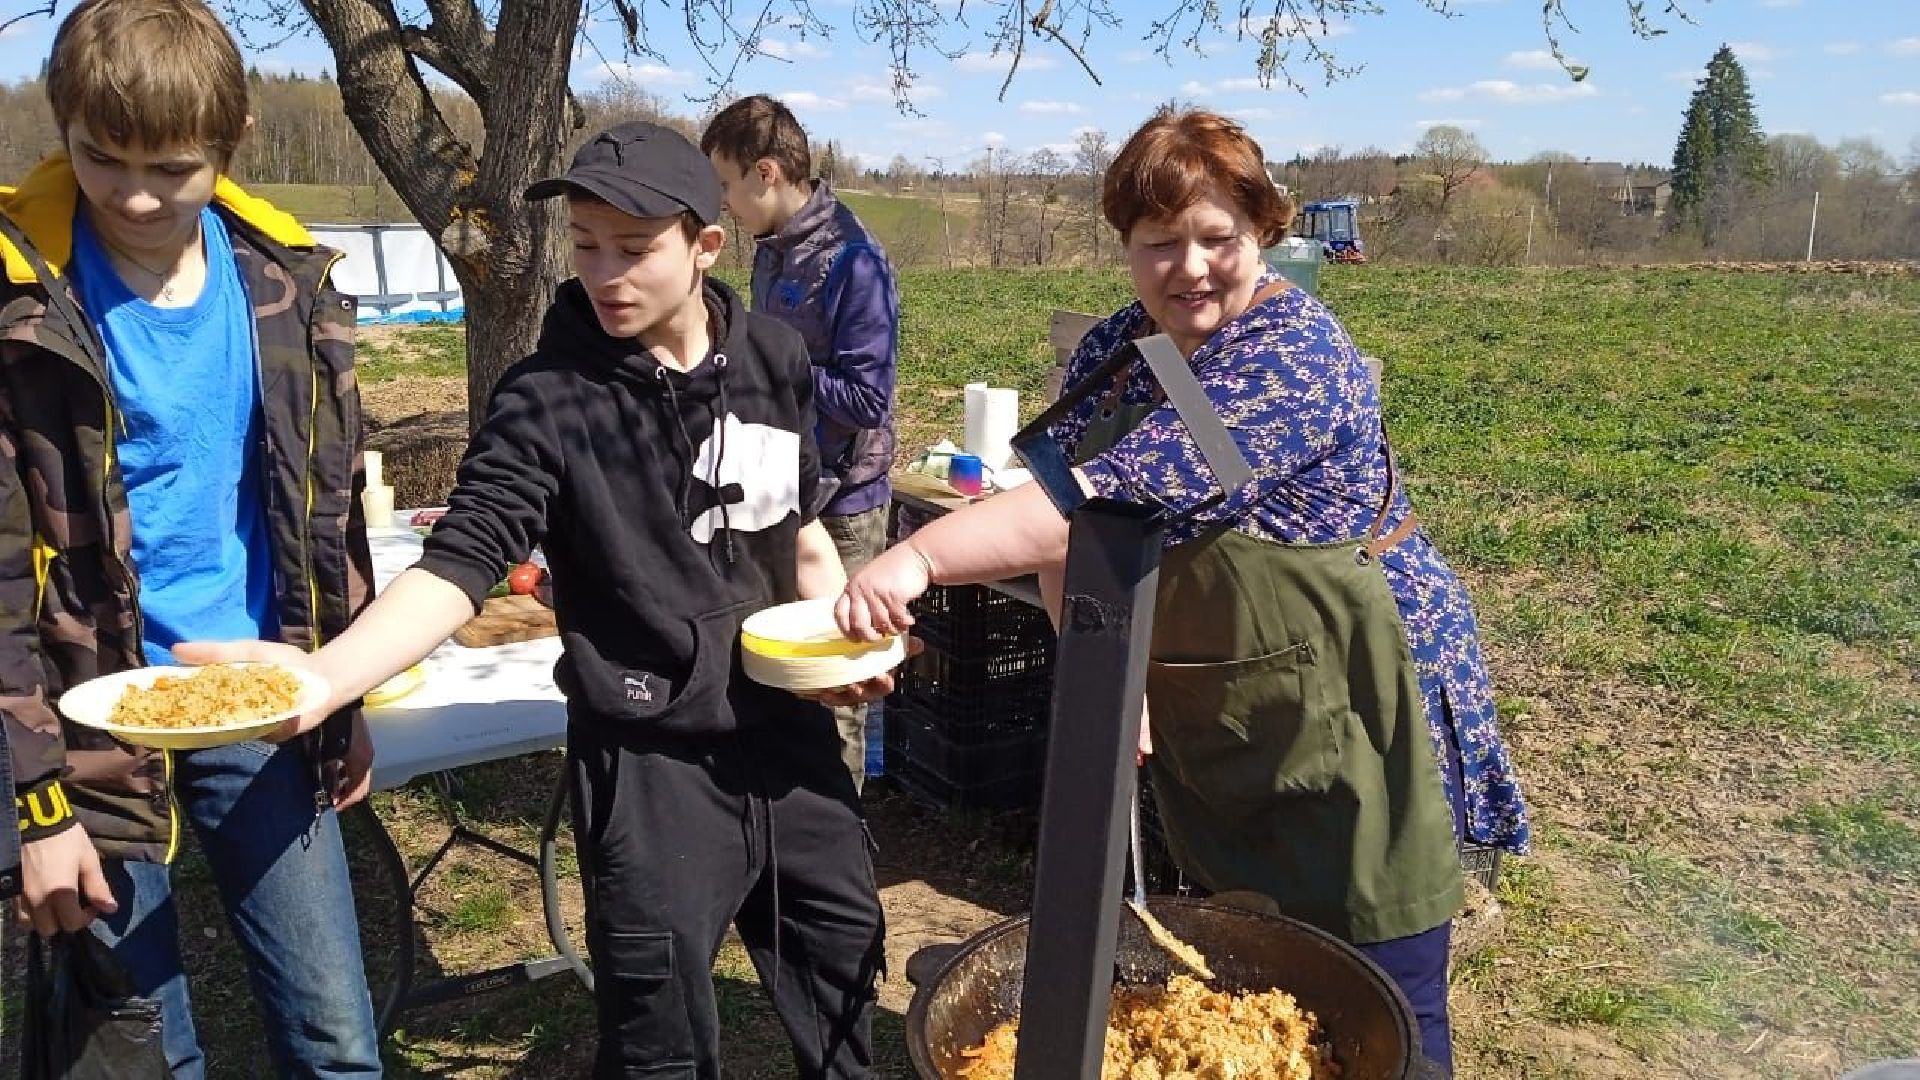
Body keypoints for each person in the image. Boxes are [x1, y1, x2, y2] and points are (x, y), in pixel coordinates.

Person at [184, 121, 891, 1079]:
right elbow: (460, 561)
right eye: (587, 245)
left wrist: (848, 646)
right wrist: (326, 676)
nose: (606, 274)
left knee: (843, 974)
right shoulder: (546, 399)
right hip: (649, 758)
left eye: (634, 248)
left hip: (788, 738)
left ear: (706, 245)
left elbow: (798, 534)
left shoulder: (774, 358)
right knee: (658, 1041)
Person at [834, 107, 1531, 1075]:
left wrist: (916, 559)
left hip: (1360, 688)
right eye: (1161, 242)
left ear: (1264, 233)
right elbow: (1076, 527)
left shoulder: (1289, 356)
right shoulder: (1124, 350)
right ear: (1126, 244)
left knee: (1379, 971)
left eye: (1218, 239)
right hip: (1236, 683)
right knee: (1247, 946)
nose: (1190, 267)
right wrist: (1108, 672)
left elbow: (1089, 504)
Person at [0, 0, 382, 1074]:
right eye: (101, 158)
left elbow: (325, 509)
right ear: (63, 126)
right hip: (87, 722)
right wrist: (34, 808)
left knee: (337, 1039)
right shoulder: (21, 302)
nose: (134, 197)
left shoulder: (287, 283)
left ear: (233, 139)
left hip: (256, 694)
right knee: (143, 1053)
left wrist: (342, 691)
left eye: (171, 169)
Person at [701, 96, 900, 793]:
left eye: (727, 185)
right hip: (778, 492)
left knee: (836, 683)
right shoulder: (772, 252)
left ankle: (839, 826)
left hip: (843, 505)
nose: (725, 205)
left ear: (765, 173)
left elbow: (869, 399)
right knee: (785, 674)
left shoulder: (854, 262)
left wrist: (775, 367)